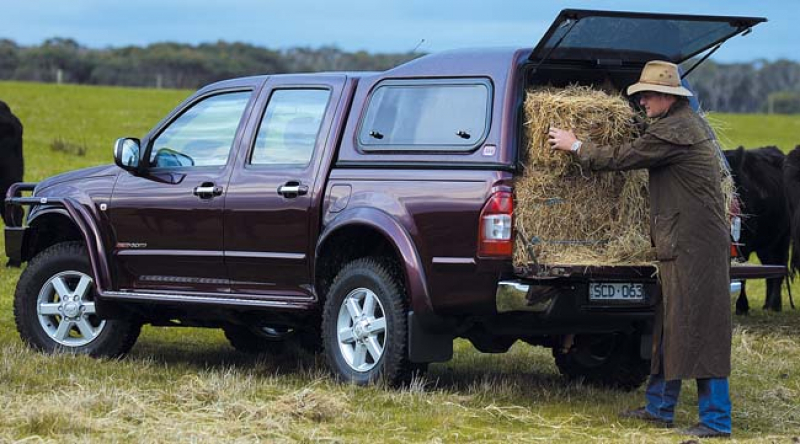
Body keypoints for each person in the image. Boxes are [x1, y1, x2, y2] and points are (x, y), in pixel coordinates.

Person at [548, 60, 733, 439]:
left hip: (694, 247)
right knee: (669, 327)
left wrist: (576, 144)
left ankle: (716, 421)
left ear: (667, 97)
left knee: (700, 328)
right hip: (681, 243)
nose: (642, 102)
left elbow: (622, 159)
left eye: (647, 95)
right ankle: (659, 408)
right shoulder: (676, 124)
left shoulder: (676, 131)